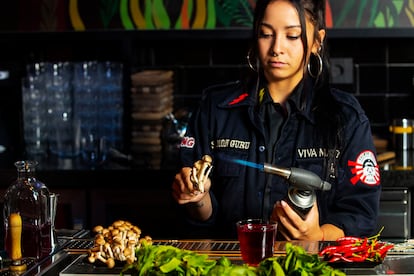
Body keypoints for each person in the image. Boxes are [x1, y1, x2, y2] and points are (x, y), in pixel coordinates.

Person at [171, 0, 381, 241]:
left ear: (317, 42)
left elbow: (363, 215)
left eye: (292, 36)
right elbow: (198, 221)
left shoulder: (346, 117)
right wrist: (198, 199)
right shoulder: (215, 109)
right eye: (266, 34)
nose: (276, 48)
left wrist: (318, 234)